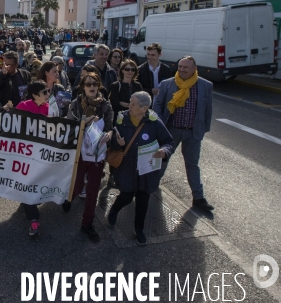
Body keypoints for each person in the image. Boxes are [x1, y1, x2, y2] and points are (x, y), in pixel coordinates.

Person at [107, 91, 174, 245]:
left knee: (143, 200)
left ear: (144, 108)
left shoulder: (154, 122)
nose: (129, 106)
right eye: (130, 102)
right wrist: (118, 143)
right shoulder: (122, 119)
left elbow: (168, 141)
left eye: (134, 104)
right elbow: (113, 142)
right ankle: (115, 209)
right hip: (127, 167)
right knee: (126, 196)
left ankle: (139, 229)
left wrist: (164, 151)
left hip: (147, 170)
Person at [153, 56, 215, 212]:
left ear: (194, 69)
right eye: (180, 67)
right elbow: (157, 105)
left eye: (185, 67)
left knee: (192, 165)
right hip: (170, 131)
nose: (182, 70)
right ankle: (152, 186)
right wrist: (159, 126)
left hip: (193, 133)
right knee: (162, 160)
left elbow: (208, 110)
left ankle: (198, 198)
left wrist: (203, 129)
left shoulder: (205, 86)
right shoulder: (168, 84)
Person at [66, 72, 113, 243]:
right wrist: (84, 123)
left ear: (99, 86)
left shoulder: (106, 105)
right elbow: (68, 125)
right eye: (88, 84)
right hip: (79, 153)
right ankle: (68, 198)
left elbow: (110, 127)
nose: (92, 87)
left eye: (95, 84)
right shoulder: (75, 103)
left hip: (97, 153)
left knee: (92, 190)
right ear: (83, 87)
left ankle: (87, 223)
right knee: (77, 186)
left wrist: (109, 134)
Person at [15, 80, 50, 237]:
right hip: (24, 153)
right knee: (27, 184)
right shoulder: (23, 106)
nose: (48, 94)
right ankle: (33, 219)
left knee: (36, 183)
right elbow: (12, 126)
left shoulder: (49, 107)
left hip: (41, 153)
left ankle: (28, 202)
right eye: (45, 92)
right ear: (35, 95)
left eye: (48, 91)